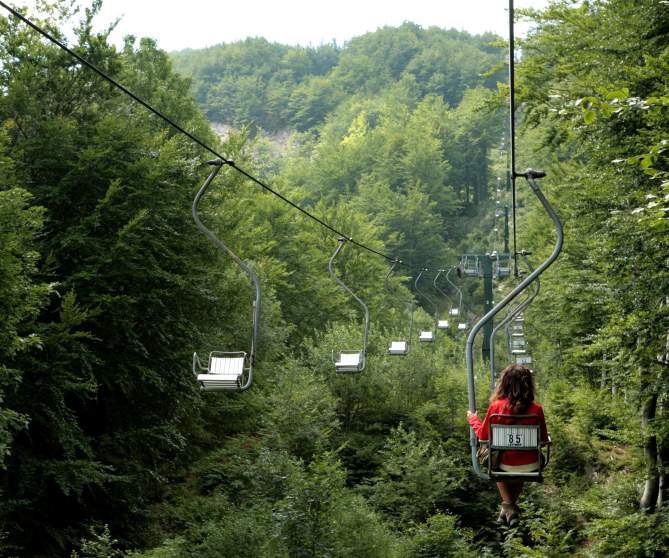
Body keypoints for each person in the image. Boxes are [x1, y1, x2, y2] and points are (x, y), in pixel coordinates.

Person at [466, 364, 548, 527]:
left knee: (493, 461)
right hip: (531, 465)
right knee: (520, 464)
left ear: (505, 383)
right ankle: (509, 509)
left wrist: (473, 419)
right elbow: (543, 439)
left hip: (502, 464)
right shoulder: (536, 409)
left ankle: (508, 507)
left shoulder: (496, 407)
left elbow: (483, 436)